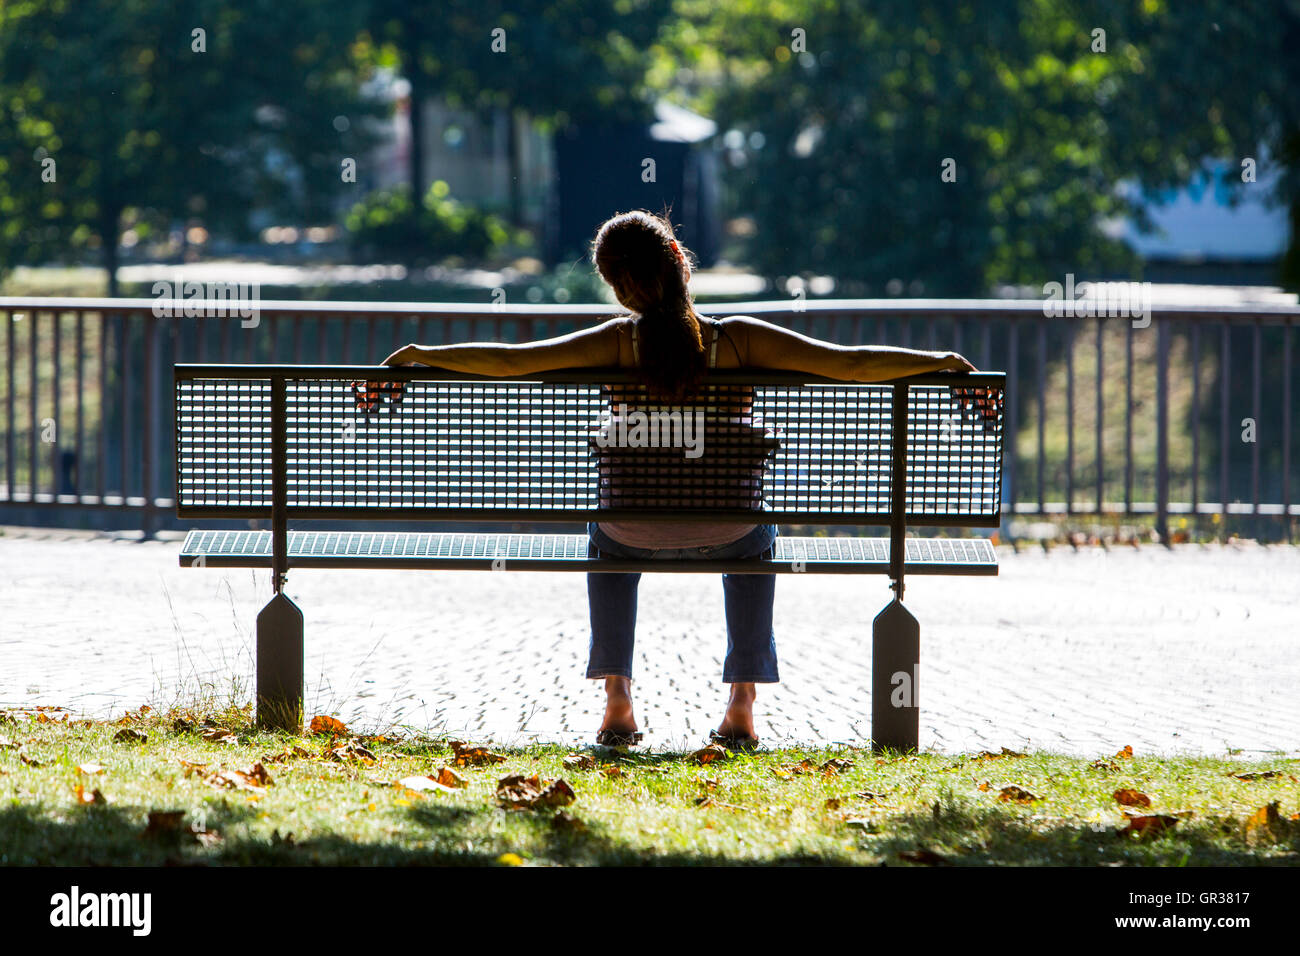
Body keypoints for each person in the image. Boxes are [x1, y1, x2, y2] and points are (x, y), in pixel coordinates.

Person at [378, 210, 985, 751]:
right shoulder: (740, 339)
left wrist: (416, 355)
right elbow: (849, 365)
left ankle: (618, 700)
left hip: (631, 530)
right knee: (758, 531)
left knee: (604, 534)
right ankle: (742, 706)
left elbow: (512, 362)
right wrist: (939, 363)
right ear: (679, 263)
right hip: (729, 528)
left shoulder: (617, 343)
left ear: (619, 286)